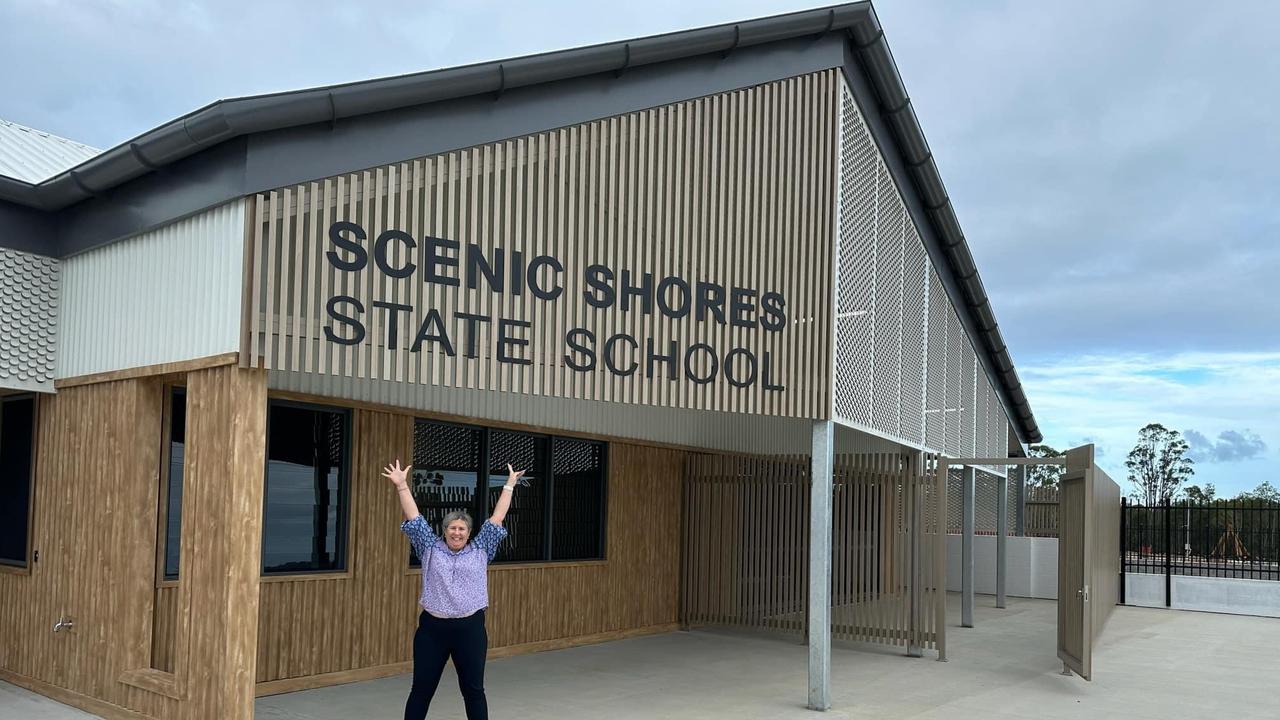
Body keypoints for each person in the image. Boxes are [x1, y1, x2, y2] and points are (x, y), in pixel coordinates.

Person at [382, 458, 526, 720]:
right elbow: (414, 518)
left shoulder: (482, 548)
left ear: (469, 532)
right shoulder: (429, 547)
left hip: (469, 629)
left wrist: (509, 485)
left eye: (462, 529)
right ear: (444, 530)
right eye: (452, 528)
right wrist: (402, 486)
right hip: (432, 631)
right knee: (421, 690)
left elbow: (497, 517)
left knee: (473, 691)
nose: (457, 533)